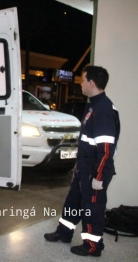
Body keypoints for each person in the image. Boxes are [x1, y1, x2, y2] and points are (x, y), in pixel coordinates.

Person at [44, 65, 121, 257]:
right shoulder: (93, 105)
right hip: (84, 168)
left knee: (92, 208)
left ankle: (93, 246)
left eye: (82, 80)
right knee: (73, 201)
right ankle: (64, 232)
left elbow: (105, 150)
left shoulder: (103, 109)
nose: (80, 84)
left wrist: (99, 176)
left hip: (95, 171)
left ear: (92, 83)